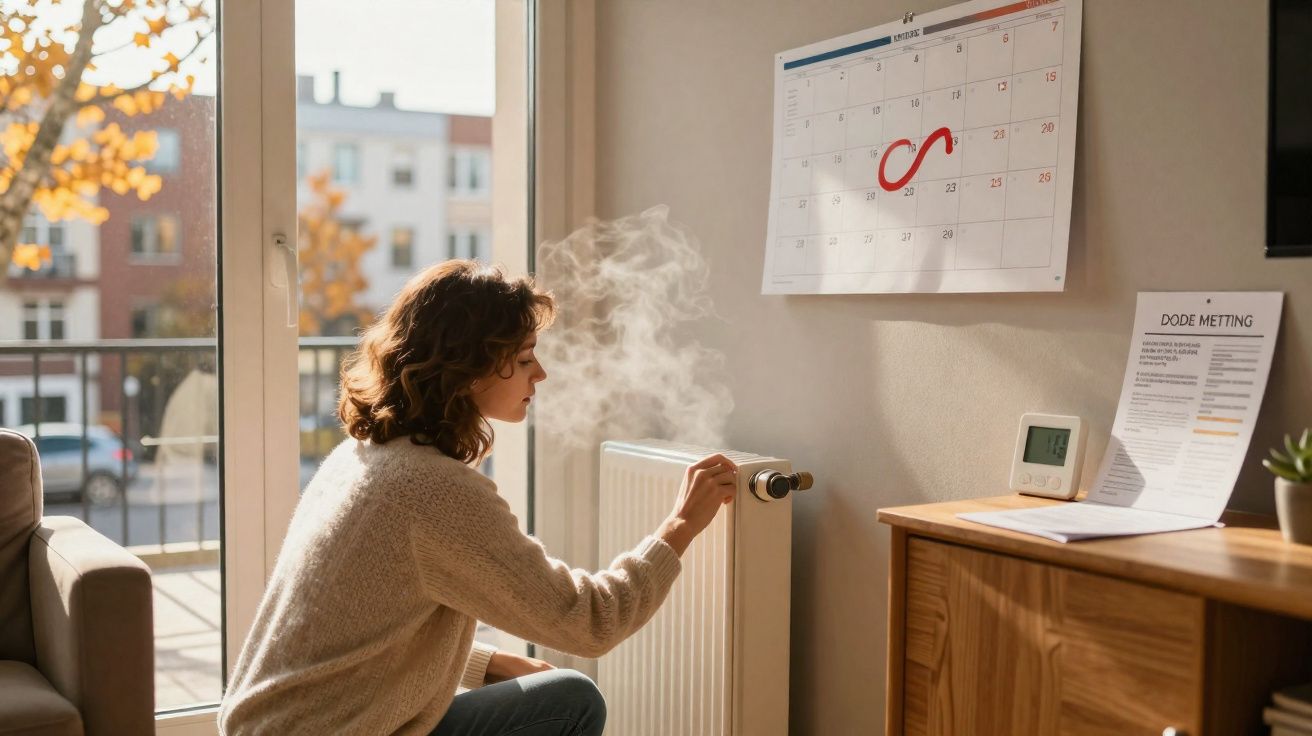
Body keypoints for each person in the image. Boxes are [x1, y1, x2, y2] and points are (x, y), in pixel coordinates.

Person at [218, 260, 738, 736]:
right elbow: (589, 620)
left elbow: (362, 634)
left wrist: (484, 663)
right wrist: (681, 525)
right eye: (526, 357)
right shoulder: (431, 490)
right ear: (471, 369)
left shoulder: (362, 457)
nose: (541, 375)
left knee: (545, 692)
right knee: (572, 701)